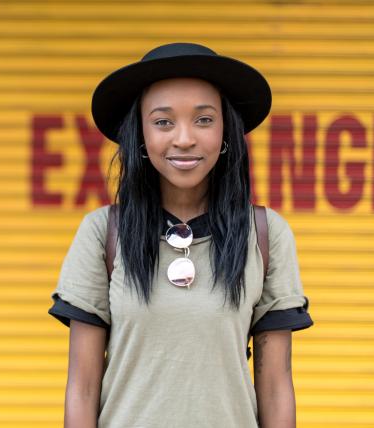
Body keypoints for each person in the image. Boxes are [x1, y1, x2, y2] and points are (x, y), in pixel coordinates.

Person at [47, 42, 314, 428]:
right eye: (163, 122)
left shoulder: (265, 234)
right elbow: (82, 388)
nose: (184, 138)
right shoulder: (103, 233)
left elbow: (275, 386)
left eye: (204, 120)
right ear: (139, 134)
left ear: (226, 132)